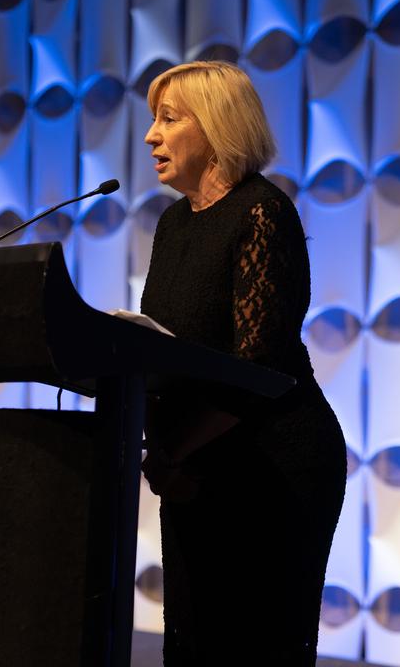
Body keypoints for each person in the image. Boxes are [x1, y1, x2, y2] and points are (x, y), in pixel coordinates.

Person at [140, 60, 347, 666]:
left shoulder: (263, 211)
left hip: (272, 462)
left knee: (255, 644)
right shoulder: (172, 224)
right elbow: (169, 346)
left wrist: (174, 450)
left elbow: (260, 363)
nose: (151, 135)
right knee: (193, 639)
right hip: (196, 464)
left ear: (216, 127)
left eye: (168, 119)